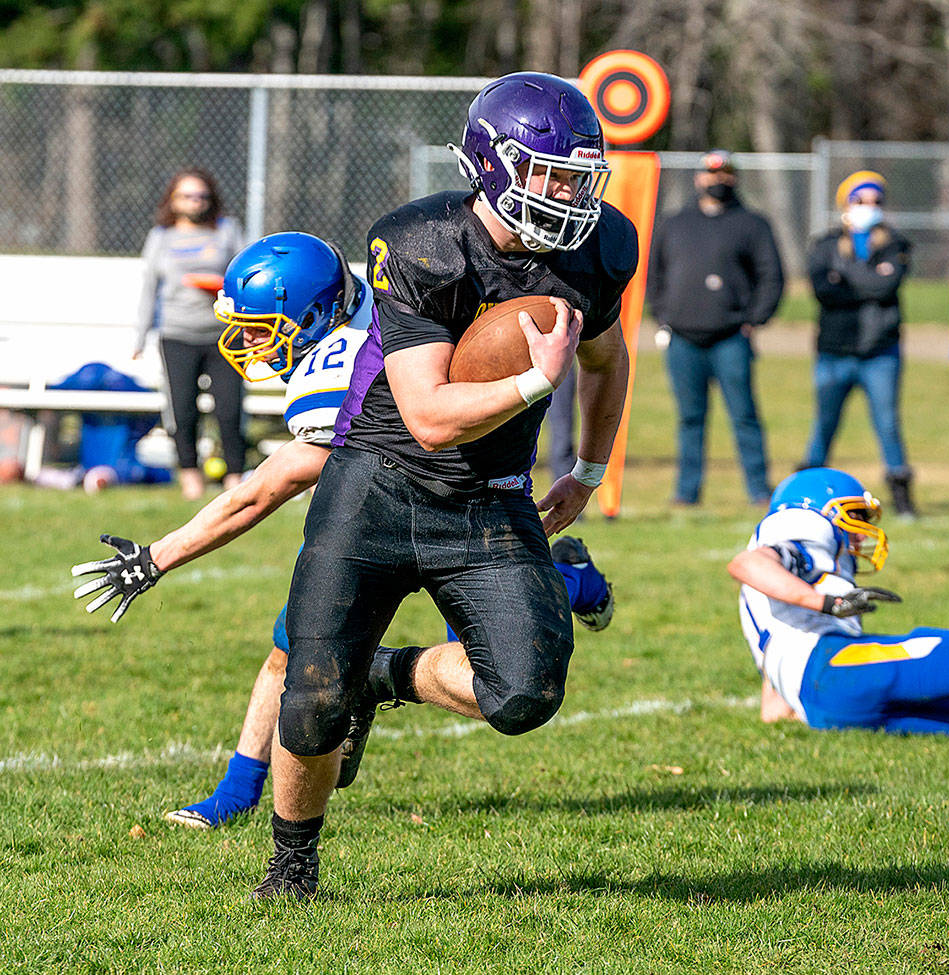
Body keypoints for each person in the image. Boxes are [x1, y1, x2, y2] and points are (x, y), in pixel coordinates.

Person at [231, 72, 637, 899]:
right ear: (491, 165)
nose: (569, 193)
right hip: (378, 481)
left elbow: (605, 356)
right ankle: (292, 863)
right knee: (311, 698)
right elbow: (429, 417)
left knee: (524, 690)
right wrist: (532, 385)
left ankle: (382, 673)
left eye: (579, 174)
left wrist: (588, 469)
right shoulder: (419, 242)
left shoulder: (601, 247)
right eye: (550, 172)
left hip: (489, 495)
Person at [70, 231, 616, 828]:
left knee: (450, 642)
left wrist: (157, 558)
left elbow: (262, 492)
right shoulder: (368, 305)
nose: (247, 340)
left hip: (444, 510)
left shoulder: (334, 374)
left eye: (262, 325)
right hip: (415, 499)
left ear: (316, 313)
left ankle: (550, 588)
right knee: (291, 643)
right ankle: (237, 790)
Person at [730, 467, 949, 734]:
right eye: (855, 515)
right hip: (831, 669)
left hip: (826, 708)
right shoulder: (799, 531)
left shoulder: (780, 596)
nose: (863, 533)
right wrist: (827, 603)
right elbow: (748, 565)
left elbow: (773, 707)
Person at [647, 149, 783, 506]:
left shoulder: (752, 223)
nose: (718, 181)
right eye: (712, 174)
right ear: (698, 178)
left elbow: (772, 276)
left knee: (744, 416)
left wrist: (755, 318)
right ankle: (687, 492)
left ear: (734, 179)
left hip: (731, 338)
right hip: (683, 338)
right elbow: (654, 272)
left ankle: (758, 489)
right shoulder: (676, 223)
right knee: (690, 418)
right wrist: (660, 313)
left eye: (725, 175)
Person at [800, 171, 916, 518]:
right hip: (834, 351)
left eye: (875, 201)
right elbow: (824, 289)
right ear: (845, 206)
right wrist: (867, 280)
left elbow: (886, 287)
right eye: (860, 200)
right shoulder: (824, 245)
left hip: (880, 351)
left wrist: (847, 278)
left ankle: (902, 496)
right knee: (824, 423)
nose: (868, 207)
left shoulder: (896, 244)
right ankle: (805, 491)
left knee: (888, 425)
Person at [135, 168, 246, 501]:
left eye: (201, 196)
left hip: (224, 335)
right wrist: (139, 338)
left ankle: (235, 477)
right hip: (177, 335)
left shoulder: (227, 231)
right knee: (182, 410)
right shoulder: (161, 237)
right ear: (173, 199)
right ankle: (189, 477)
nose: (194, 202)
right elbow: (149, 289)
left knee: (229, 410)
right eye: (187, 195)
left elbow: (244, 274)